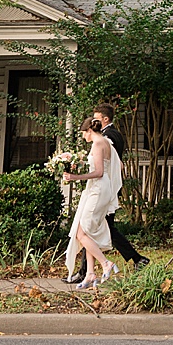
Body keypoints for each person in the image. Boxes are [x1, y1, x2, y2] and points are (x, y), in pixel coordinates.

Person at [60, 118, 124, 289]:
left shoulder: (97, 143)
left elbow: (99, 172)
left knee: (82, 233)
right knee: (90, 232)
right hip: (101, 188)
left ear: (89, 130)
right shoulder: (106, 142)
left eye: (83, 133)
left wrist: (75, 177)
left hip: (98, 190)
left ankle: (106, 263)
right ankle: (89, 274)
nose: (83, 137)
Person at [86, 104, 148, 271]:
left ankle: (86, 271)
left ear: (105, 119)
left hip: (106, 188)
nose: (93, 123)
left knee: (91, 228)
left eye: (96, 119)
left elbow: (114, 160)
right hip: (106, 187)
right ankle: (137, 259)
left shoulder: (109, 136)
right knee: (102, 227)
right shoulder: (110, 134)